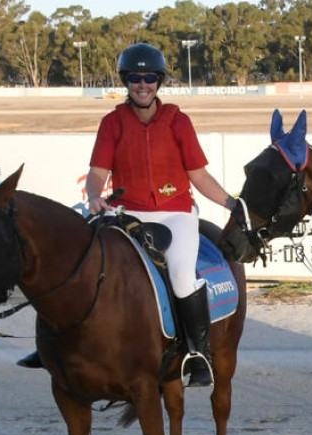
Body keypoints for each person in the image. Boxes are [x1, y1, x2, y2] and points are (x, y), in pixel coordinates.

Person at [18, 43, 239, 387]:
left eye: (149, 77)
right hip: (126, 214)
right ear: (126, 81)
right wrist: (94, 196)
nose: (142, 84)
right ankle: (49, 345)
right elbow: (97, 173)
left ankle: (198, 353)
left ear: (159, 81)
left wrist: (230, 203)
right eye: (134, 78)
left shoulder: (178, 122)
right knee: (78, 262)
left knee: (181, 275)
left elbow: (198, 176)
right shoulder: (112, 123)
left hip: (175, 215)